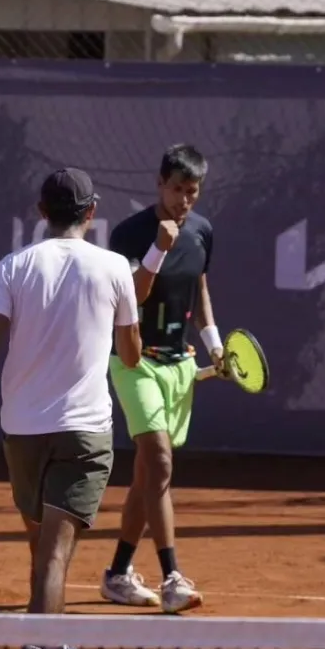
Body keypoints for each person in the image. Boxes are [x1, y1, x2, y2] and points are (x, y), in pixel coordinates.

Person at [0, 167, 141, 649]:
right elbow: (131, 357)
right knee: (52, 559)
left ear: (42, 210)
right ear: (93, 211)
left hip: (24, 433)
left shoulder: (14, 266)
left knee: (43, 556)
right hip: (85, 434)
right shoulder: (114, 268)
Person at [99, 144, 224, 614]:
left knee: (146, 478)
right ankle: (173, 576)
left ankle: (117, 574)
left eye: (192, 192)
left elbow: (201, 291)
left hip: (180, 366)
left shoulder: (203, 232)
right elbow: (130, 298)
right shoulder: (130, 234)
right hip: (135, 362)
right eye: (176, 190)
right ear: (159, 184)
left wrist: (214, 344)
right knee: (160, 461)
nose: (184, 201)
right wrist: (159, 246)